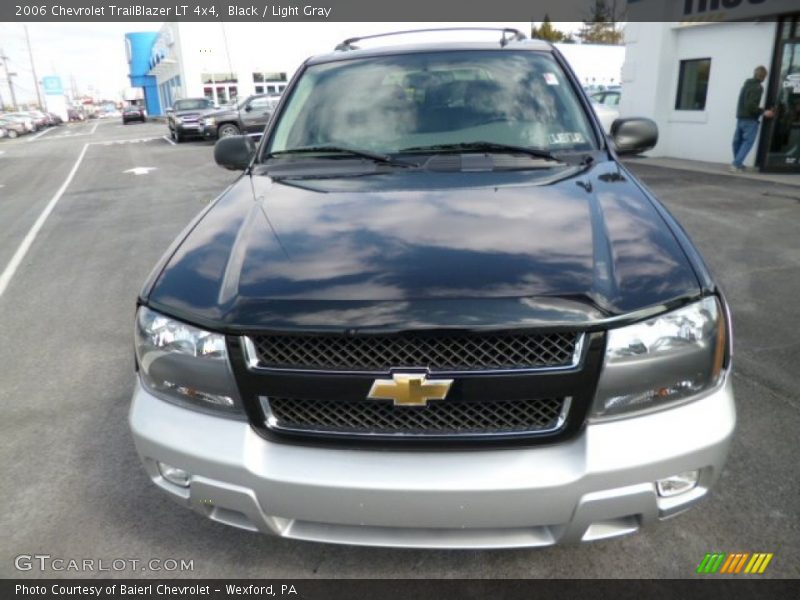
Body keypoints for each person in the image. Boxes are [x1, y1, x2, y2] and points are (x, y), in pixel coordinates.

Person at [731, 66, 774, 172]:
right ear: (763, 76)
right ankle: (736, 164)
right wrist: (763, 112)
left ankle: (738, 163)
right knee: (747, 142)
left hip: (740, 118)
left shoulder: (746, 85)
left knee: (737, 142)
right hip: (750, 119)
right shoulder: (757, 87)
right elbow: (750, 105)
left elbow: (745, 103)